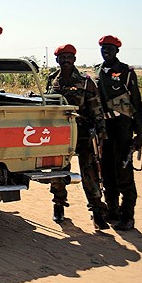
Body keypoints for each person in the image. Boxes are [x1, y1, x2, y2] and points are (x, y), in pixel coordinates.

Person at [46, 44, 109, 229]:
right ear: (57, 60)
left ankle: (97, 212)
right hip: (60, 135)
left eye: (69, 57)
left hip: (83, 134)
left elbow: (96, 107)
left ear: (74, 59)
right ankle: (59, 206)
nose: (66, 60)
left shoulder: (86, 81)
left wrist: (101, 131)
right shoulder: (52, 80)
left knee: (90, 174)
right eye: (62, 57)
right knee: (58, 172)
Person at [96, 35, 142, 231]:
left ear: (117, 51)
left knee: (123, 170)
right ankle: (112, 210)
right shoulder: (99, 71)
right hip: (106, 127)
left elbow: (137, 104)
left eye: (110, 48)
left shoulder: (125, 72)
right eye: (103, 48)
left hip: (123, 126)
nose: (106, 51)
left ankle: (128, 216)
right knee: (107, 170)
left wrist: (139, 133)